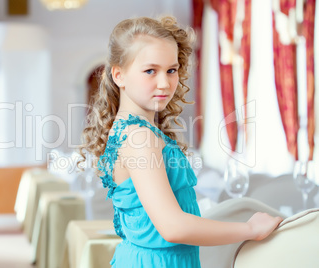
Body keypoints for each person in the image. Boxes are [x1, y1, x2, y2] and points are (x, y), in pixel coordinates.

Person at [78, 15, 282, 267]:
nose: (165, 83)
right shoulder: (139, 136)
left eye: (171, 70)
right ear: (118, 75)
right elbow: (172, 227)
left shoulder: (130, 129)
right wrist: (250, 229)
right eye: (150, 70)